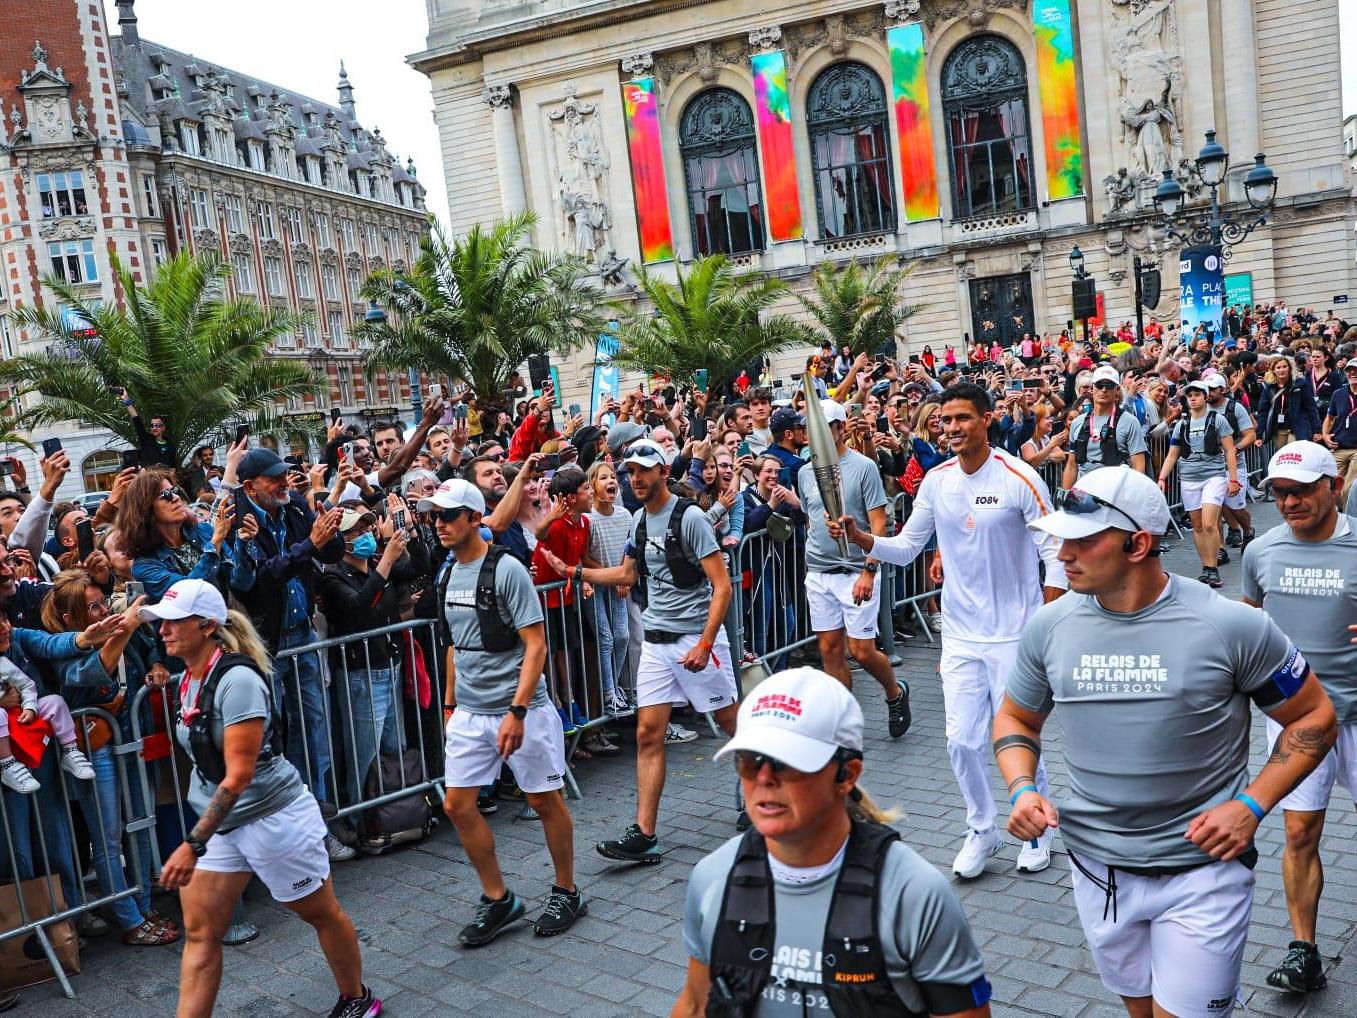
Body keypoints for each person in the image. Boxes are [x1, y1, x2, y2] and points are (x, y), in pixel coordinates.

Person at [994, 466, 1338, 1018]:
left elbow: (1313, 716)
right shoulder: (1049, 624)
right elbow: (1015, 717)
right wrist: (1020, 788)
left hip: (1203, 872)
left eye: (1083, 540)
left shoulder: (1230, 624)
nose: (1063, 553)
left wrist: (1252, 805)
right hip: (1095, 869)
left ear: (1138, 544)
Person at [830, 381, 1066, 877]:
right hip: (959, 635)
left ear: (986, 419)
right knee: (961, 740)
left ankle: (1036, 826)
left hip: (1015, 636)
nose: (951, 428)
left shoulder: (1019, 478)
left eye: (961, 418)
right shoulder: (936, 481)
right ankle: (982, 830)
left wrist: (1047, 625)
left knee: (1020, 737)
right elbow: (906, 546)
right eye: (945, 420)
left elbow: (1056, 556)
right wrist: (861, 537)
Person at [674, 666, 994, 1016]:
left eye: (786, 763)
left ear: (847, 774)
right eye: (749, 761)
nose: (764, 778)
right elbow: (694, 1003)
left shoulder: (915, 894)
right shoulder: (712, 877)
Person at [144, 580, 380, 1018]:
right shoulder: (187, 680)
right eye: (162, 622)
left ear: (206, 625)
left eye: (173, 622)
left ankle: (357, 997)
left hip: (274, 818)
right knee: (200, 932)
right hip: (221, 825)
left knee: (320, 913)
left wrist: (191, 844)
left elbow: (238, 777)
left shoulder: (238, 680)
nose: (163, 631)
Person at [543, 439, 740, 864]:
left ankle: (765, 789)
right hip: (655, 644)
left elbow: (722, 586)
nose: (635, 479)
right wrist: (575, 572)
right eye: (630, 471)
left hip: (696, 640)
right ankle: (645, 832)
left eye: (644, 471)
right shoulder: (637, 522)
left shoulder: (690, 520)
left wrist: (706, 644)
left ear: (663, 473)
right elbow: (627, 574)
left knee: (731, 725)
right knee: (648, 735)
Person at [423, 479, 585, 944]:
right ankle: (498, 898)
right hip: (471, 712)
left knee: (542, 800)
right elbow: (453, 644)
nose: (439, 525)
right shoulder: (447, 573)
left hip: (522, 708)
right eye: (434, 516)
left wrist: (517, 710)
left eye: (448, 516)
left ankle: (566, 889)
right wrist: (451, 704)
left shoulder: (508, 569)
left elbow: (536, 644)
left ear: (476, 518)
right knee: (457, 805)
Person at [1241, 443, 1357, 992]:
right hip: (1294, 723)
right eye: (1281, 493)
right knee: (1299, 832)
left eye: (1302, 490)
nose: (1290, 502)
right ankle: (1302, 951)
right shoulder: (1260, 551)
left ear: (1332, 485)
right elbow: (1248, 633)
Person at [229, 447, 346, 813]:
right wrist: (311, 543)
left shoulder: (294, 504)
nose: (283, 482)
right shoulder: (239, 520)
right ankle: (287, 813)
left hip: (303, 634)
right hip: (266, 644)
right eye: (273, 478)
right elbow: (260, 579)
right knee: (274, 729)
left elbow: (328, 554)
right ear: (250, 486)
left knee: (313, 723)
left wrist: (329, 532)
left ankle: (319, 808)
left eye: (284, 474)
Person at [798, 399, 910, 740]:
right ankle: (843, 722)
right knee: (830, 651)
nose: (815, 436)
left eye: (824, 429)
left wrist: (869, 570)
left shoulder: (862, 467)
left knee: (861, 651)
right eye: (810, 430)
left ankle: (895, 691)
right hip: (818, 571)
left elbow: (879, 522)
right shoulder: (805, 472)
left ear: (840, 428)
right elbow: (810, 516)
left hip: (855, 571)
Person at [317, 503, 424, 807]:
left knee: (395, 747)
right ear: (340, 540)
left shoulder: (378, 564)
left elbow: (418, 566)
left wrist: (411, 531)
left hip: (390, 665)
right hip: (361, 674)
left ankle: (397, 814)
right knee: (364, 754)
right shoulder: (333, 578)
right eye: (356, 531)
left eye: (367, 528)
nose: (365, 534)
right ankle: (363, 819)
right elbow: (359, 610)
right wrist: (387, 561)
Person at [1157, 380, 1241, 587]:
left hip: (1214, 476)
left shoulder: (1218, 420)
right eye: (1189, 395)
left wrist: (1233, 479)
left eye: (1197, 394)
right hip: (1189, 478)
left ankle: (1213, 567)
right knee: (1197, 525)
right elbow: (1172, 455)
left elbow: (1230, 450)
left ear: (1204, 397)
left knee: (1209, 523)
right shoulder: (1181, 425)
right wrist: (1161, 477)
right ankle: (1206, 566)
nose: (1193, 398)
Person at [1061, 365, 1148, 489]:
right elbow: (1072, 465)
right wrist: (1065, 497)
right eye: (1099, 385)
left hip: (1115, 495)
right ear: (1092, 388)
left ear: (1117, 390)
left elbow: (1138, 466)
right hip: (1085, 493)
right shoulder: (1078, 422)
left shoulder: (1130, 422)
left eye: (1109, 385)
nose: (1104, 390)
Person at [1204, 372, 1258, 554]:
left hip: (1234, 465)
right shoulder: (1200, 408)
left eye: (1213, 389)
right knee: (1215, 506)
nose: (1209, 392)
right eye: (1207, 389)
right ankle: (1219, 549)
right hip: (1210, 466)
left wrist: (1235, 449)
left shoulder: (1235, 408)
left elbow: (1250, 434)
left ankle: (1248, 530)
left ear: (1223, 390)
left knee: (1235, 506)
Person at [1319, 360, 1357, 492]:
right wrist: (1325, 435)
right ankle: (1338, 511)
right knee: (1329, 488)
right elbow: (1329, 417)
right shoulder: (1338, 393)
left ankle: (1348, 513)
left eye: (1356, 370)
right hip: (1339, 447)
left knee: (1348, 488)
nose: (1352, 373)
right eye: (1349, 370)